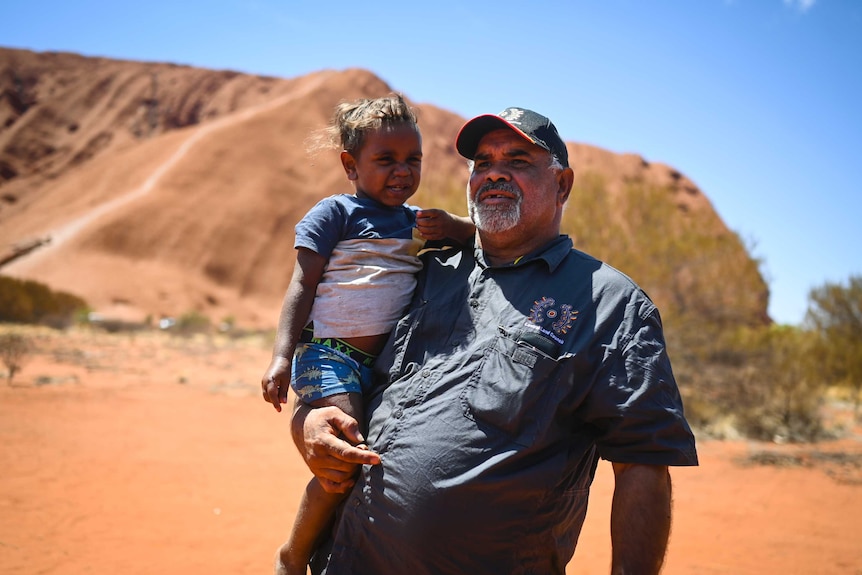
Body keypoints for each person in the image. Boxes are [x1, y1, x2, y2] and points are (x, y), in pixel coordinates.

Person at [289, 106, 699, 575]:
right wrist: (309, 421)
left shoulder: (609, 304)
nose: (494, 175)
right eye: (482, 163)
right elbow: (338, 357)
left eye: (518, 161)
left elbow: (643, 463)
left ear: (562, 185)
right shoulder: (423, 269)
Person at [260, 93, 474, 575]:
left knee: (375, 458)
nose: (402, 171)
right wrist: (279, 357)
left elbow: (479, 239)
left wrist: (456, 226)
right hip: (328, 356)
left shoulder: (417, 221)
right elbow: (302, 285)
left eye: (412, 159)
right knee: (346, 459)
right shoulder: (334, 213)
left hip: (382, 368)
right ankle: (293, 555)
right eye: (386, 160)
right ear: (350, 165)